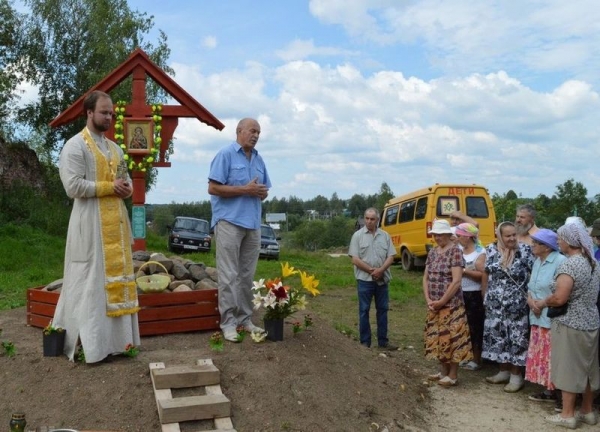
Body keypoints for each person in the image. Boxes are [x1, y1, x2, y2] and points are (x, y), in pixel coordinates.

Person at [53, 90, 139, 363]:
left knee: (115, 283)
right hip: (89, 225)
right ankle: (91, 346)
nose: (109, 117)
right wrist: (108, 186)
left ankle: (119, 343)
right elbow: (72, 186)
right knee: (90, 283)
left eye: (111, 113)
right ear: (89, 112)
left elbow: (126, 181)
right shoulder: (75, 146)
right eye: (104, 112)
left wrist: (126, 189)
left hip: (115, 223)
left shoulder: (115, 148)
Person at [208, 118, 271, 342]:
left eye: (259, 133)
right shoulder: (225, 154)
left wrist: (262, 192)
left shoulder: (259, 159)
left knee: (247, 276)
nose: (255, 135)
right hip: (229, 222)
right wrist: (245, 189)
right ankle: (228, 323)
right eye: (252, 131)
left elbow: (264, 190)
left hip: (252, 224)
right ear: (239, 131)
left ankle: (245, 319)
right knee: (228, 274)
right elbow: (213, 187)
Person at [534, 223, 600, 428]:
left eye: (560, 239)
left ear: (569, 241)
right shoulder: (593, 262)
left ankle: (567, 415)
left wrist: (544, 301)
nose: (558, 242)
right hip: (590, 320)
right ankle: (587, 411)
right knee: (589, 368)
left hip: (570, 323)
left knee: (569, 368)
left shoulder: (570, 265)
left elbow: (560, 298)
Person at [482, 221, 534, 392]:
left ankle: (516, 376)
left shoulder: (525, 250)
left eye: (514, 235)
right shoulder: (491, 249)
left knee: (517, 339)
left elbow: (533, 274)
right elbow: (486, 273)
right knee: (499, 337)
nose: (512, 238)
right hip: (495, 304)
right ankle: (503, 371)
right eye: (508, 235)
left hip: (517, 305)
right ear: (500, 236)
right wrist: (485, 296)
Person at [423, 219, 473, 387]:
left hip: (451, 304)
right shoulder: (433, 252)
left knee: (453, 338)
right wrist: (429, 299)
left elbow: (457, 280)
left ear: (447, 235)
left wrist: (442, 300)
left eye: (440, 235)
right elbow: (425, 277)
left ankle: (453, 375)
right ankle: (442, 371)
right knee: (438, 338)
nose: (437, 238)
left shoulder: (455, 252)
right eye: (435, 235)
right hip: (434, 304)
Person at [525, 229, 566, 404]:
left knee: (554, 355)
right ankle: (548, 391)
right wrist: (531, 301)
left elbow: (561, 292)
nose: (532, 245)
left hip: (551, 317)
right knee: (543, 354)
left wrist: (541, 304)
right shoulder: (537, 261)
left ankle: (560, 394)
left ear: (547, 247)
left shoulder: (560, 261)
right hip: (536, 316)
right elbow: (531, 286)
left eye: (535, 242)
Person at [348, 208, 397, 350]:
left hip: (382, 281)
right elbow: (355, 259)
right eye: (367, 218)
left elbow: (391, 256)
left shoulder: (385, 236)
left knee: (382, 310)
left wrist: (381, 270)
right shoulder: (357, 236)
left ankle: (383, 341)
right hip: (364, 281)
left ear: (378, 220)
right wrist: (371, 271)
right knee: (364, 310)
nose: (369, 221)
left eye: (372, 219)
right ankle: (365, 342)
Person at [455, 223, 486, 371]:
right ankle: (464, 355)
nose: (457, 238)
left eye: (460, 235)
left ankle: (476, 358)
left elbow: (483, 275)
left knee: (475, 326)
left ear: (468, 237)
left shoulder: (480, 252)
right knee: (462, 325)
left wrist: (465, 271)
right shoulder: (458, 250)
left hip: (474, 293)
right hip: (460, 292)